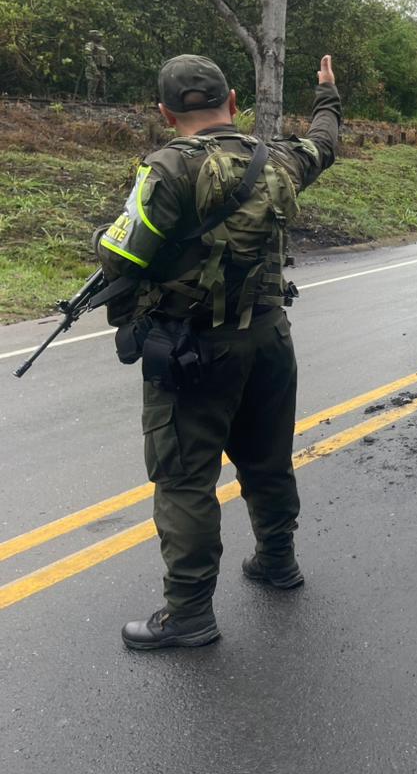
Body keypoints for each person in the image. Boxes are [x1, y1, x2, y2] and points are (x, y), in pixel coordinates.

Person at [96, 53, 342, 650]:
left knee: (184, 478)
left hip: (195, 350)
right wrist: (327, 95)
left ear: (164, 111)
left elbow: (121, 257)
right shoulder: (278, 159)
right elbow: (324, 142)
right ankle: (277, 562)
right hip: (269, 338)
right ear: (234, 101)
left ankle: (188, 613)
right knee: (267, 456)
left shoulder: (166, 170)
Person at [83, 31, 113, 101]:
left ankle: (100, 100)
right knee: (93, 85)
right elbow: (88, 57)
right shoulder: (90, 45)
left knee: (102, 87)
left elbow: (106, 56)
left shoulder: (101, 46)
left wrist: (110, 58)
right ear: (93, 37)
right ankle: (91, 100)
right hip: (93, 68)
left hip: (101, 68)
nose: (100, 38)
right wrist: (95, 69)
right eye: (98, 36)